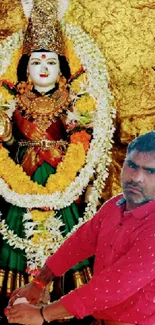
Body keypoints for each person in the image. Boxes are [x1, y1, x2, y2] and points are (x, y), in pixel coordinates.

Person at [5, 130, 155, 325]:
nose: (136, 177)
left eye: (150, 171)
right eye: (132, 166)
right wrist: (39, 282)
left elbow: (111, 287)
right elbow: (78, 244)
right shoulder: (115, 205)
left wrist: (43, 314)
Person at [0, 0, 93, 308]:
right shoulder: (13, 101)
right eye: (37, 61)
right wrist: (7, 133)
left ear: (61, 69)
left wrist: (76, 131)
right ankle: (17, 300)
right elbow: (11, 144)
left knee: (67, 237)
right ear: (26, 68)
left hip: (61, 179)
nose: (43, 67)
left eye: (51, 62)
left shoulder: (72, 101)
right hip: (22, 176)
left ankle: (63, 302)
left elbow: (81, 138)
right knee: (19, 235)